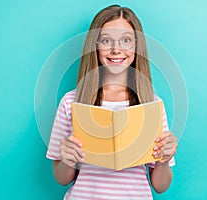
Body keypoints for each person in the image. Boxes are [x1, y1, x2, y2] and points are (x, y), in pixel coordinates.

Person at [46, 5, 178, 200]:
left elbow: (160, 185)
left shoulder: (151, 105)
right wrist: (66, 160)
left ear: (136, 47)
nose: (116, 50)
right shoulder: (71, 102)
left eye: (126, 40)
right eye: (106, 41)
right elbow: (62, 178)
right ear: (96, 46)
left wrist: (164, 161)